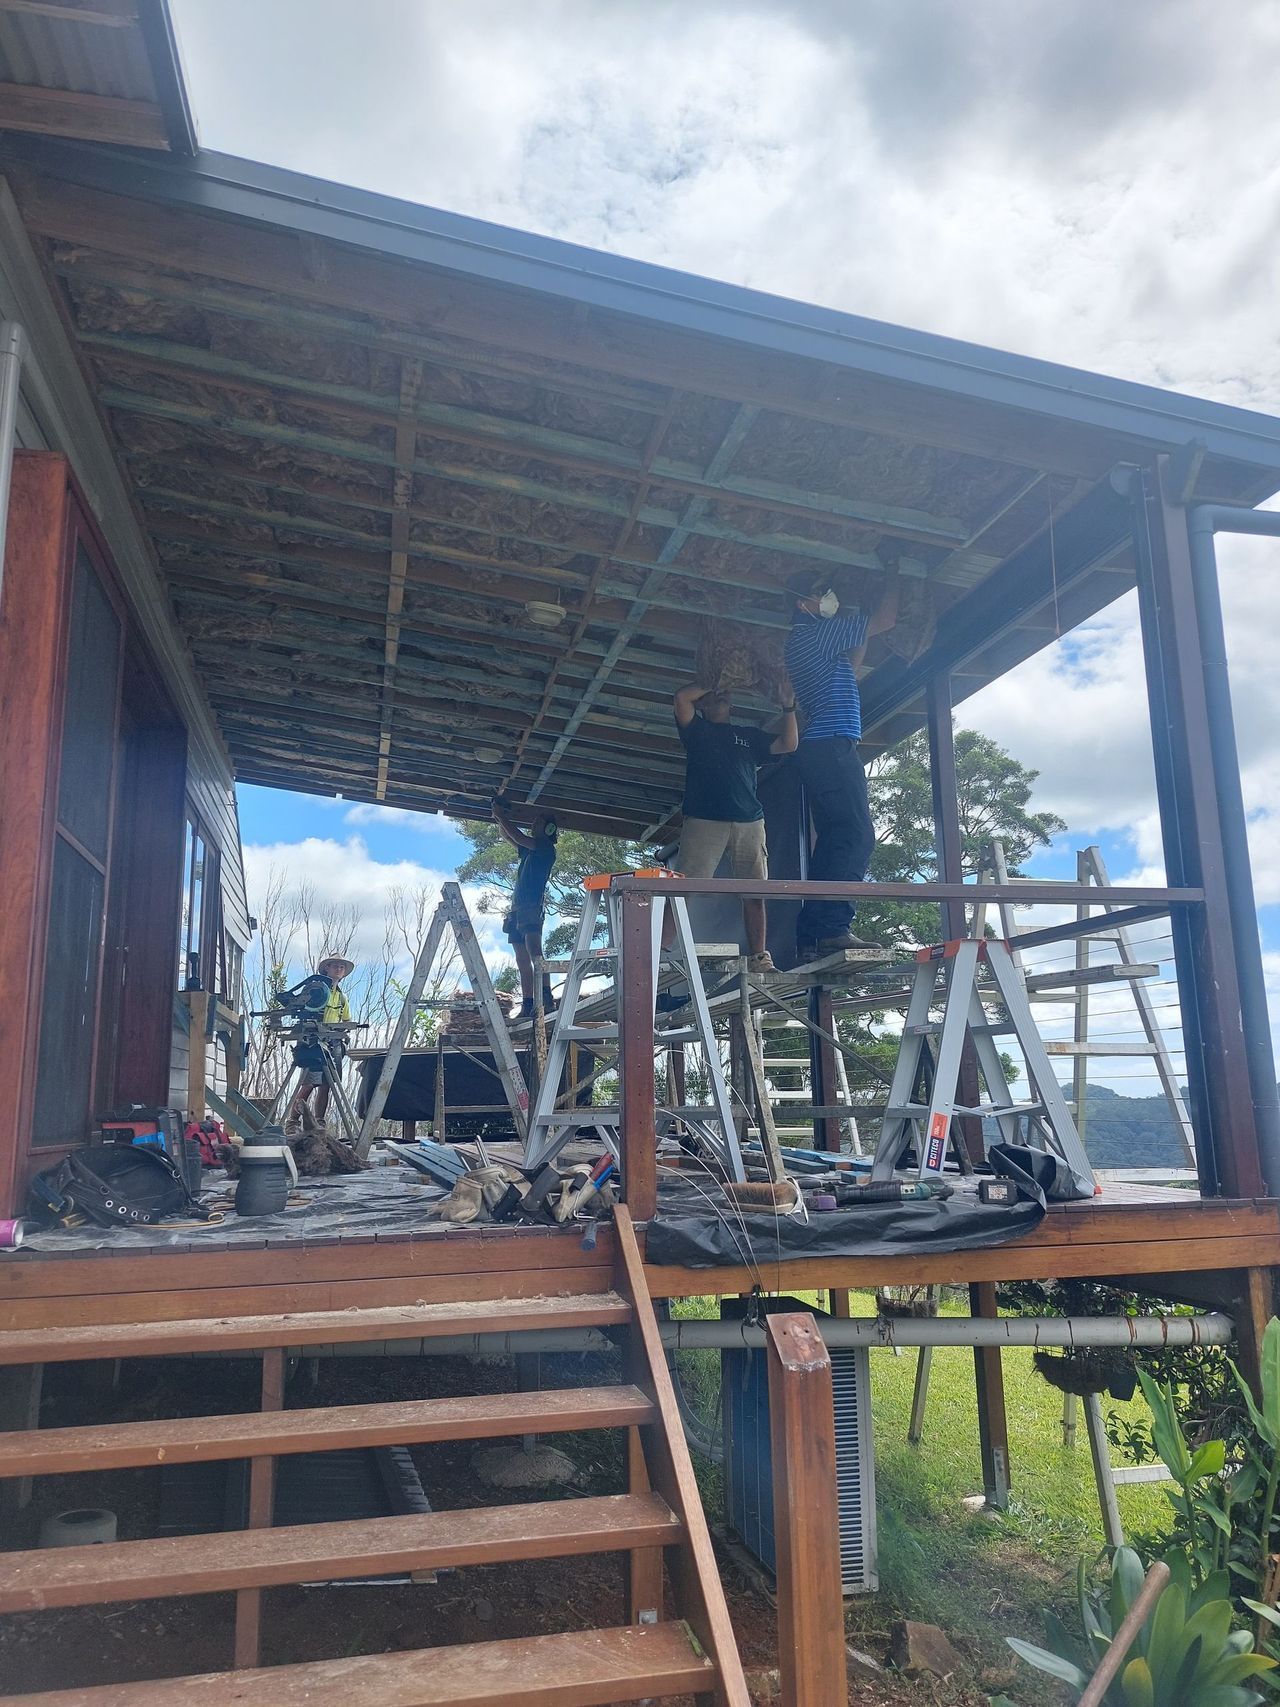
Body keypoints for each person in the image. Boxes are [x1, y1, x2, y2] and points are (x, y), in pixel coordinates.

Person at [784, 569, 899, 961]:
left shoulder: (809, 641)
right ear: (804, 604)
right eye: (821, 592)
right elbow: (886, 622)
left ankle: (813, 933)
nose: (829, 597)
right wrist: (893, 574)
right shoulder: (814, 634)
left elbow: (854, 659)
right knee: (857, 834)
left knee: (835, 839)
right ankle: (831, 929)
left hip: (822, 749)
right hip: (830, 747)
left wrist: (860, 618)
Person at [668, 680, 798, 972]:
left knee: (754, 890)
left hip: (749, 820)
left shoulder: (747, 735)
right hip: (704, 819)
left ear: (733, 706)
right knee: (682, 889)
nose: (719, 698)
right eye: (713, 697)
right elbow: (681, 697)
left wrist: (788, 706)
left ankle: (759, 958)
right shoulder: (696, 730)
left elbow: (789, 743)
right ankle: (658, 949)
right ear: (702, 703)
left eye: (724, 697)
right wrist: (719, 680)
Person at [493, 793, 559, 1019]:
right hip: (517, 909)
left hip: (531, 907)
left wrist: (502, 815)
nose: (533, 824)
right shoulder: (530, 849)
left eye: (538, 822)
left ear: (548, 830)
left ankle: (546, 998)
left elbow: (516, 835)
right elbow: (509, 835)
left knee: (534, 952)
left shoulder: (545, 848)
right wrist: (498, 817)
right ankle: (529, 1003)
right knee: (522, 958)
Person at [283, 952, 354, 1134]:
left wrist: (341, 1033)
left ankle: (319, 1123)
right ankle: (293, 1122)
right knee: (309, 1083)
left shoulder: (341, 997)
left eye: (342, 966)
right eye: (335, 965)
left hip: (331, 1043)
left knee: (326, 1085)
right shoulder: (316, 988)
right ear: (326, 968)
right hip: (312, 1041)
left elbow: (346, 1020)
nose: (339, 968)